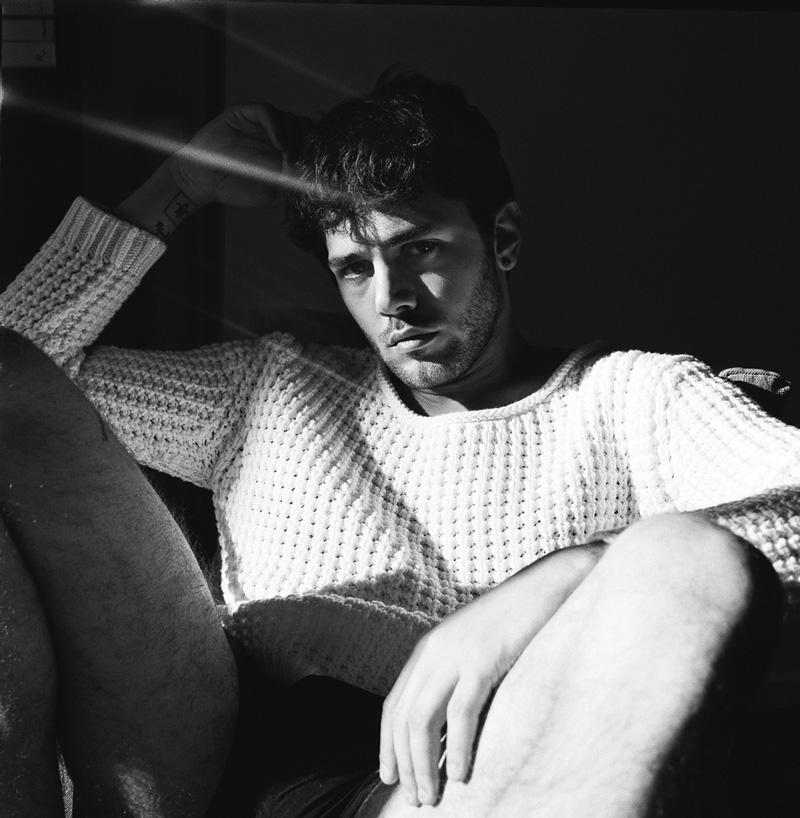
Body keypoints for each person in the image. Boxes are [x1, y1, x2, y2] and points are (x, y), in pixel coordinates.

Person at [1, 71, 799, 818]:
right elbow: (20, 368)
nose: (393, 300)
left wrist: (570, 573)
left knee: (687, 554)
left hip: (478, 759)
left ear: (503, 237)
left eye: (420, 249)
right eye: (355, 268)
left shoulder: (634, 395)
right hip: (237, 745)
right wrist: (183, 184)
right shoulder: (267, 386)